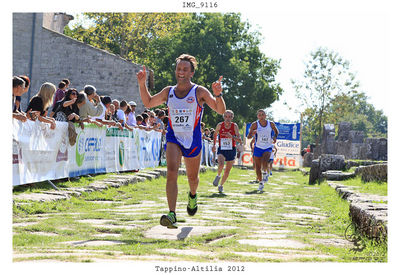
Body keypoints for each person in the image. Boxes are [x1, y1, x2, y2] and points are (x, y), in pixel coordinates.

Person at [136, 54, 226, 229]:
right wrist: (142, 84)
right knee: (171, 172)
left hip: (192, 139)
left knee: (193, 178)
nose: (181, 72)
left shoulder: (199, 91)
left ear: (192, 73)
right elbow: (148, 102)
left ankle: (193, 195)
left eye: (185, 69)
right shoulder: (168, 91)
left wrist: (218, 94)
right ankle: (172, 214)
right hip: (173, 137)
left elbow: (219, 109)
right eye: (179, 69)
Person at [247, 109, 279, 191]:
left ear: (265, 116)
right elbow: (248, 137)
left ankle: (265, 172)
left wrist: (275, 137)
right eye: (259, 115)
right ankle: (261, 183)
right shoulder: (255, 124)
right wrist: (252, 134)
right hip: (258, 147)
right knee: (257, 167)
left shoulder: (270, 124)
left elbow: (276, 131)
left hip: (268, 146)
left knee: (265, 160)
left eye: (263, 114)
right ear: (257, 116)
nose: (261, 116)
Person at [212, 110, 242, 193]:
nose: (227, 118)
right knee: (221, 164)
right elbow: (215, 134)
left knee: (227, 170)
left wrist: (232, 136)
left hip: (231, 149)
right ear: (223, 117)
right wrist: (214, 145)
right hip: (222, 148)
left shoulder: (234, 126)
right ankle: (218, 176)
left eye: (229, 117)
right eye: (226, 116)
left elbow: (239, 140)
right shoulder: (220, 125)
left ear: (232, 118)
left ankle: (221, 185)